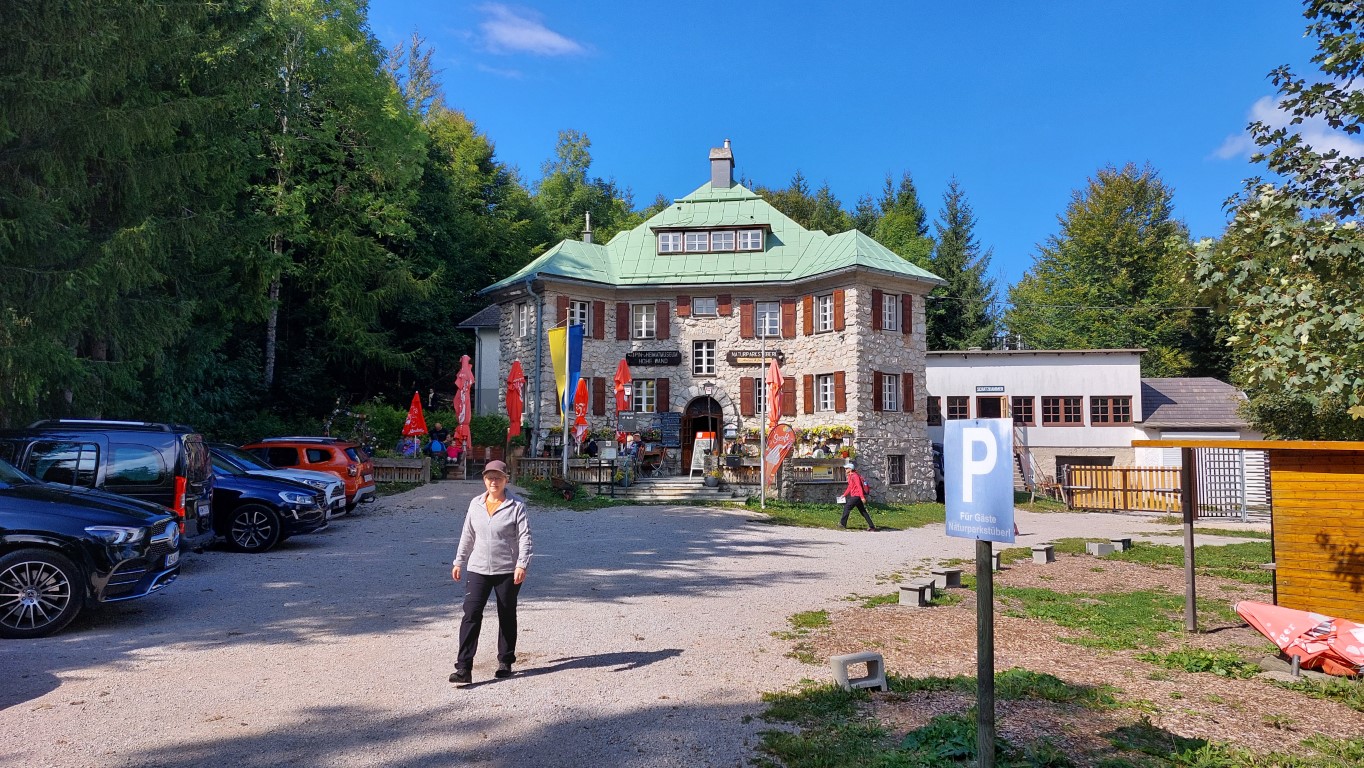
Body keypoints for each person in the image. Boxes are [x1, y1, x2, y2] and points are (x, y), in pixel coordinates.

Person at [450, 460, 532, 685]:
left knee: (506, 613)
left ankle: (505, 661)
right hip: (478, 568)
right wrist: (459, 561)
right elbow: (467, 535)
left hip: (507, 569)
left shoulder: (516, 505)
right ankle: (463, 667)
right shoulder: (475, 504)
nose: (493, 481)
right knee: (471, 613)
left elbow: (525, 537)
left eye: (498, 477)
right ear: (484, 480)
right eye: (489, 477)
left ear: (506, 479)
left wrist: (521, 564)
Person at [839, 462, 877, 531]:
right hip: (856, 496)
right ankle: (872, 526)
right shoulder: (850, 476)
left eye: (846, 468)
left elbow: (859, 487)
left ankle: (842, 524)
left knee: (847, 507)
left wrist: (862, 497)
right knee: (863, 511)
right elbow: (850, 487)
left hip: (857, 496)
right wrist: (844, 495)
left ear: (850, 469)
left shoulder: (855, 476)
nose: (845, 469)